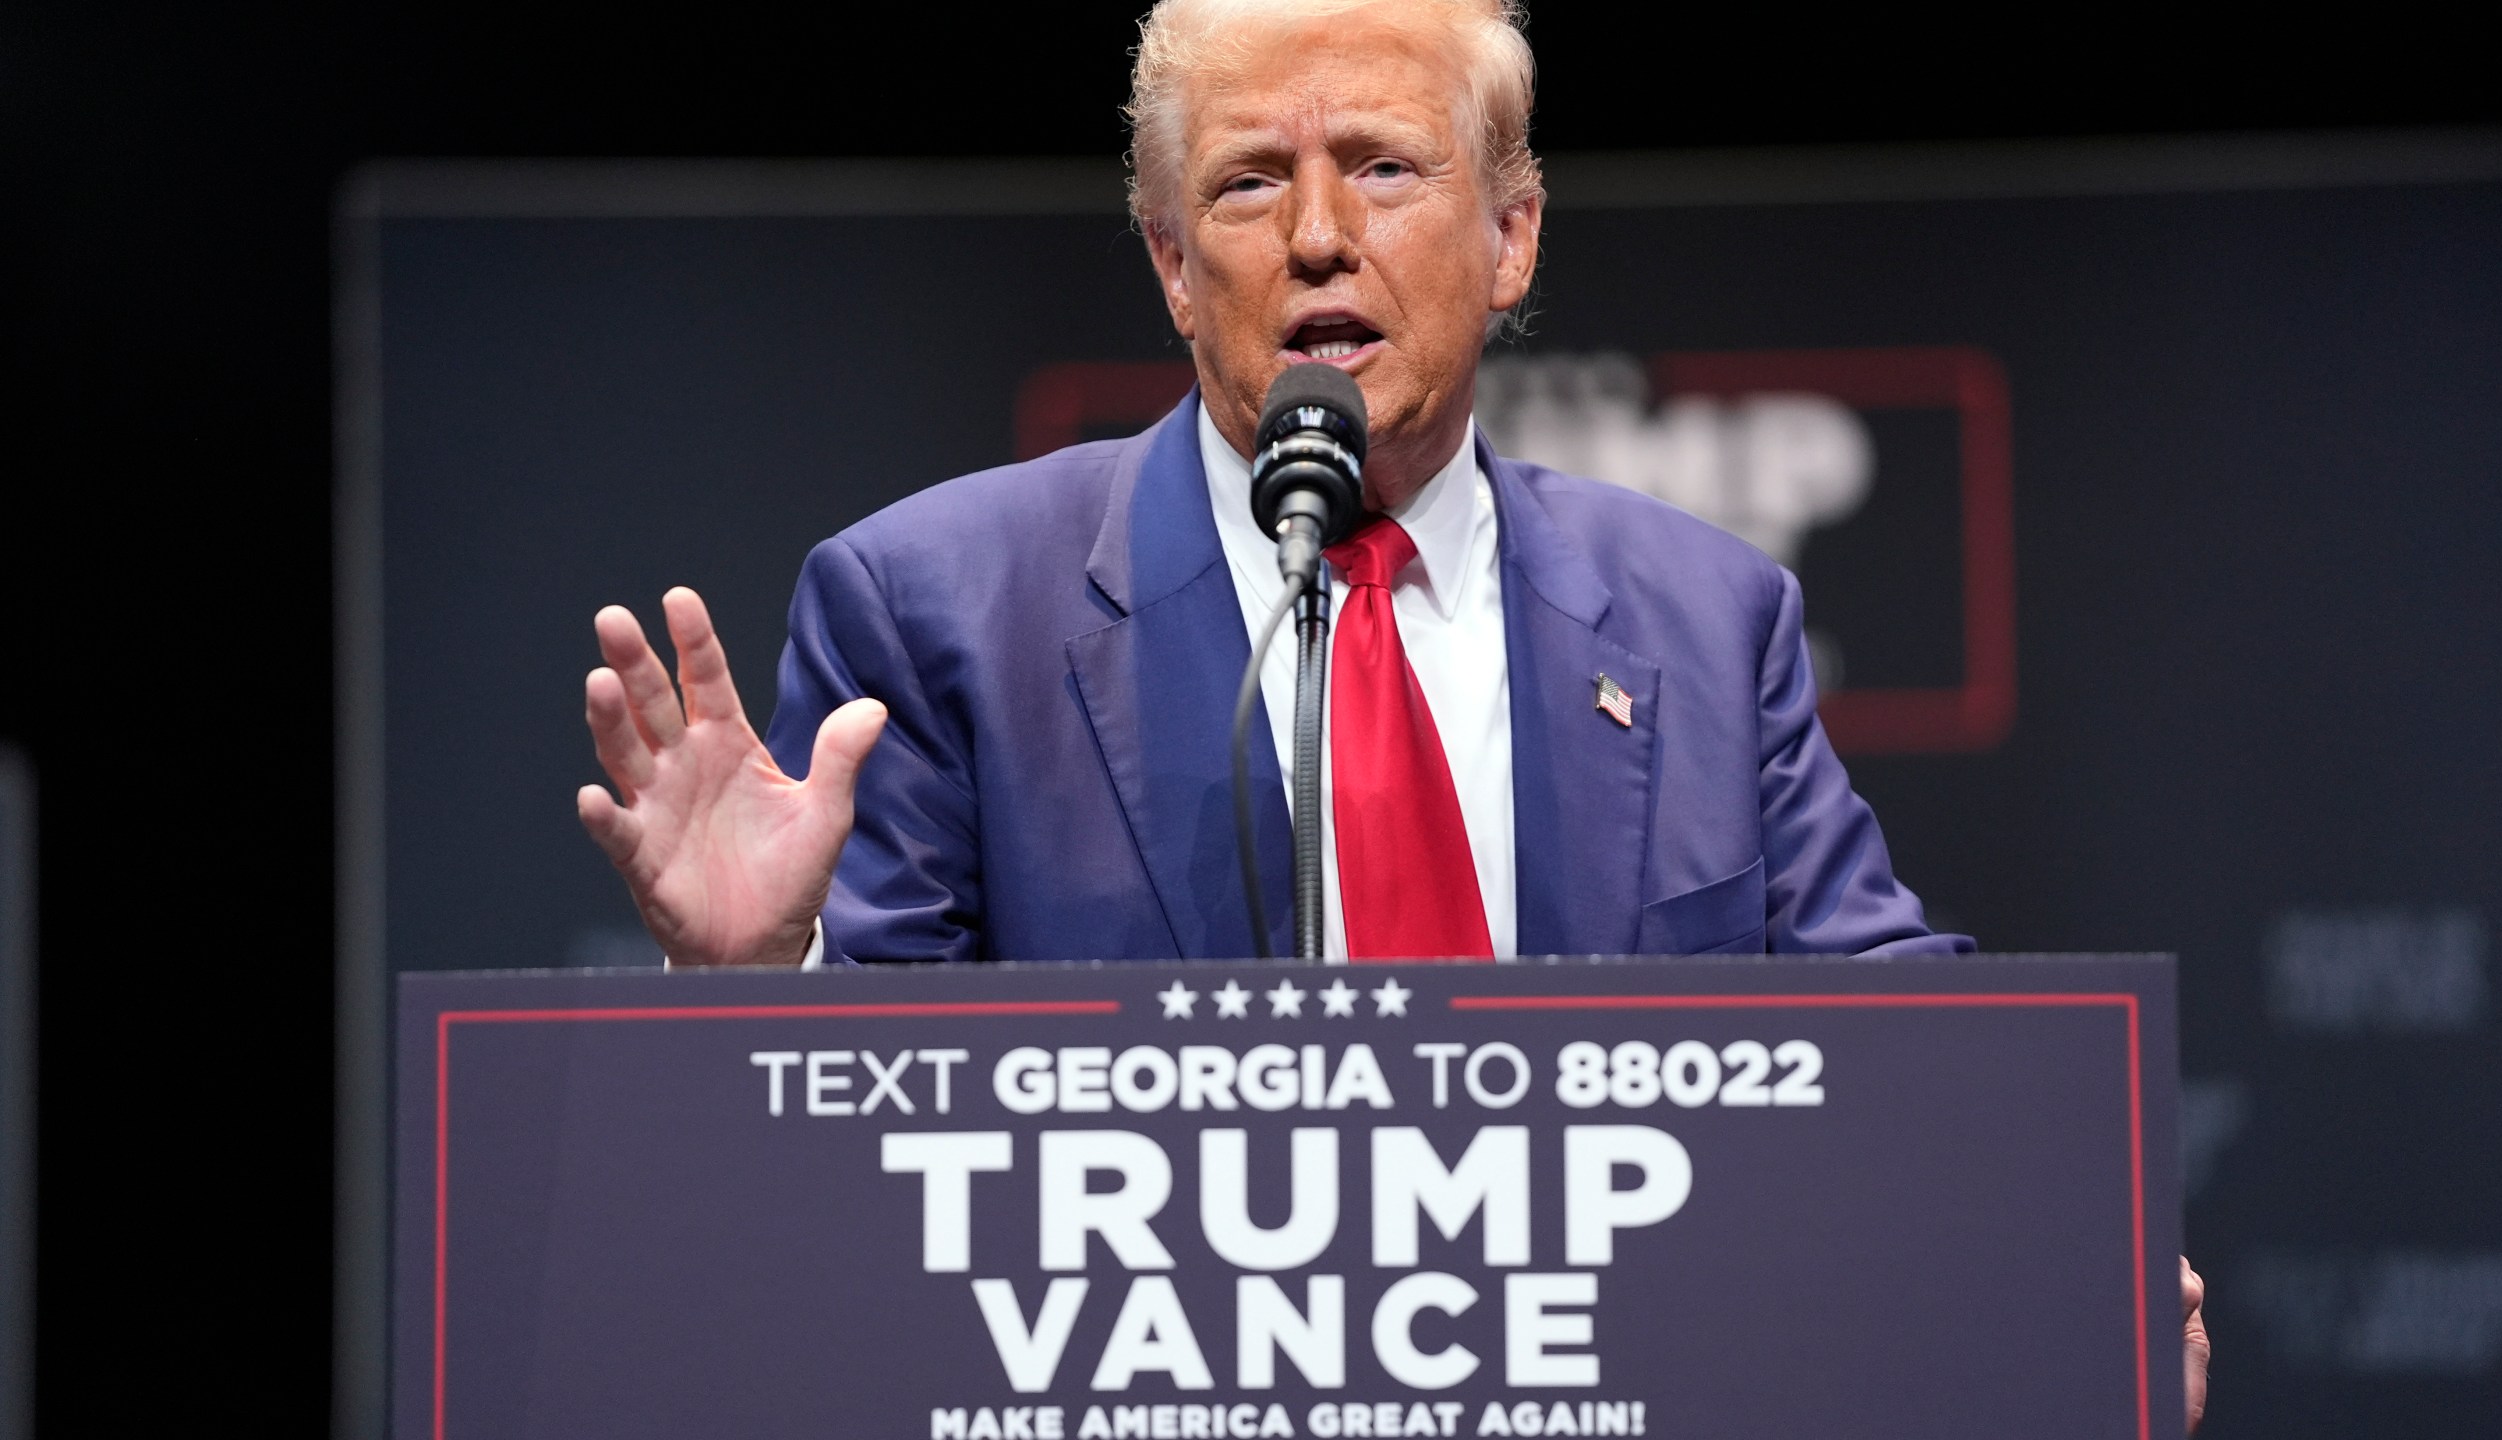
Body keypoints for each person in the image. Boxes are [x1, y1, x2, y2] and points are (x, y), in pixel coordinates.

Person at [570, 0, 2207, 1423]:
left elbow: (1893, 1042)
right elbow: (869, 1218)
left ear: (1512, 238)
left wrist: (2063, 1257)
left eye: (1387, 165)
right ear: (1169, 264)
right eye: (1247, 183)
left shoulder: (1709, 623)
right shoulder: (938, 607)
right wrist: (755, 985)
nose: (1318, 236)